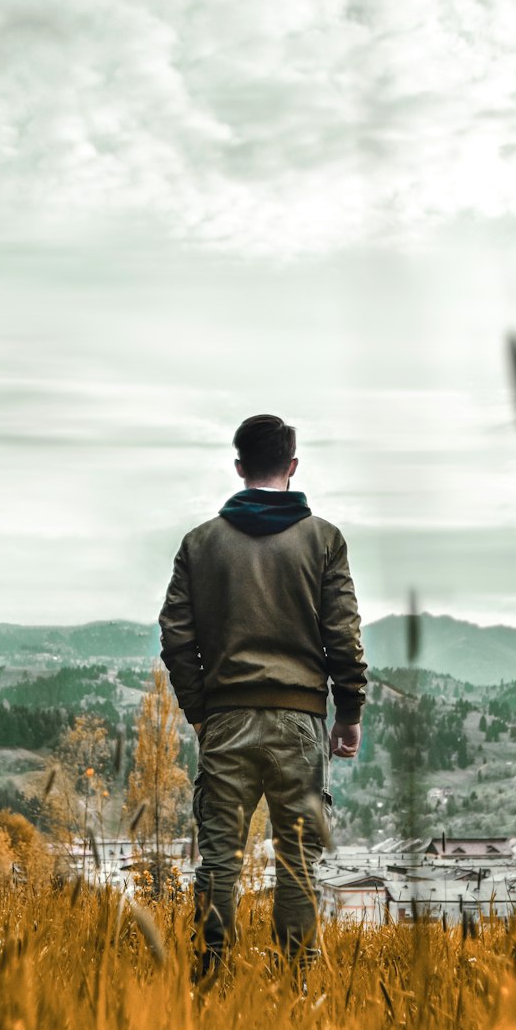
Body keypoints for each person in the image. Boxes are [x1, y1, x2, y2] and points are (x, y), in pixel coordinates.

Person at [158, 413, 367, 979]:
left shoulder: (200, 544)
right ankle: (296, 987)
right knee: (298, 863)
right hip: (300, 726)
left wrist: (202, 712)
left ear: (239, 467)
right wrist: (348, 713)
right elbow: (342, 635)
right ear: (292, 466)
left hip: (225, 720)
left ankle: (209, 978)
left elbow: (176, 637)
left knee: (219, 860)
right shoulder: (323, 540)